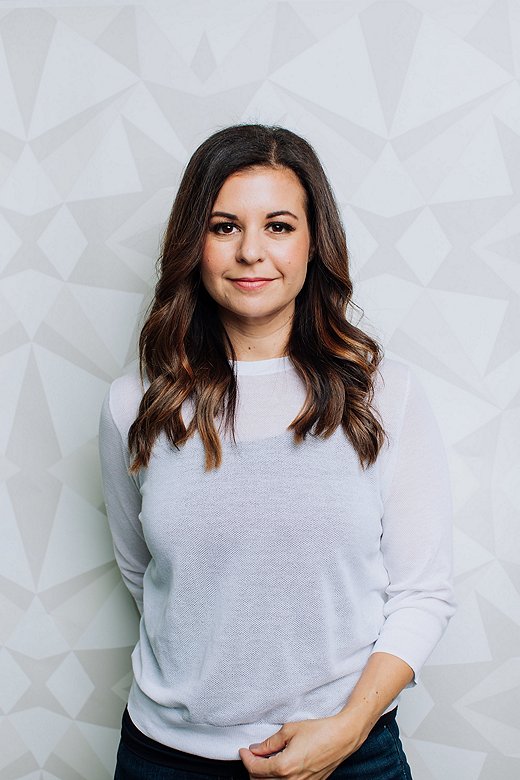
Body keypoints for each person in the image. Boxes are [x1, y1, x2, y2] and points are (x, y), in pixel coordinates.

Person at [98, 123, 456, 780]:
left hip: (349, 755)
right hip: (163, 761)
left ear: (314, 243)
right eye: (225, 226)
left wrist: (346, 732)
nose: (251, 252)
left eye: (280, 226)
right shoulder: (135, 405)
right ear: (193, 243)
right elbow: (148, 577)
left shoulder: (383, 394)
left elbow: (422, 592)